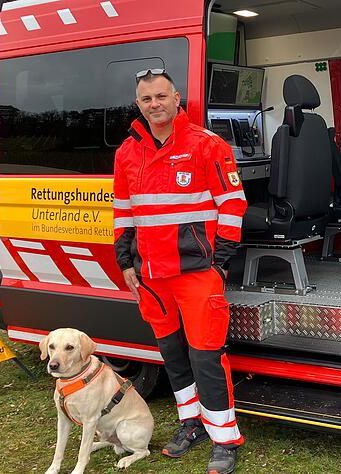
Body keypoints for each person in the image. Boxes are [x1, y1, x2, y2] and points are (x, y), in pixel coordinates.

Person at [113, 68, 247, 474]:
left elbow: (233, 203)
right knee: (173, 355)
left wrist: (218, 260)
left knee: (206, 357)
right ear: (138, 104)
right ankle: (192, 423)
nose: (155, 104)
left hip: (196, 273)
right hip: (151, 277)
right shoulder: (126, 153)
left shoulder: (207, 145)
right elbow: (123, 214)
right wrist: (125, 261)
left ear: (176, 99)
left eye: (161, 96)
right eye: (146, 99)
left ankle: (224, 438)